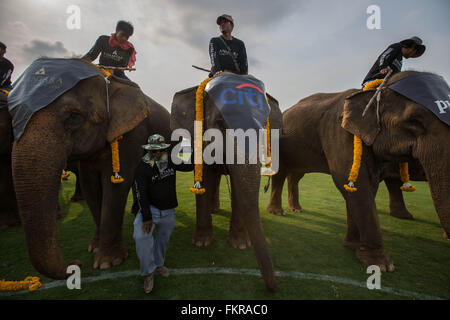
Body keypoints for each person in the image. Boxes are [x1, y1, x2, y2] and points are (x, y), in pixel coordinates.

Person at [133, 134, 193, 293]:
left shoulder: (171, 160)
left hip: (168, 210)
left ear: (165, 149)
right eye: (153, 151)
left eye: (159, 150)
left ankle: (158, 264)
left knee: (163, 239)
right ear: (148, 150)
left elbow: (189, 165)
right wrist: (146, 216)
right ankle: (147, 274)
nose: (156, 154)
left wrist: (189, 145)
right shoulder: (142, 167)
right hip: (149, 210)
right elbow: (140, 193)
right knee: (141, 237)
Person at [362, 36, 426, 88]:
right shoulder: (396, 46)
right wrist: (383, 67)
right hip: (373, 80)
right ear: (412, 47)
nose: (412, 56)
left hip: (386, 84)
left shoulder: (400, 60)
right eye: (414, 53)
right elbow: (384, 56)